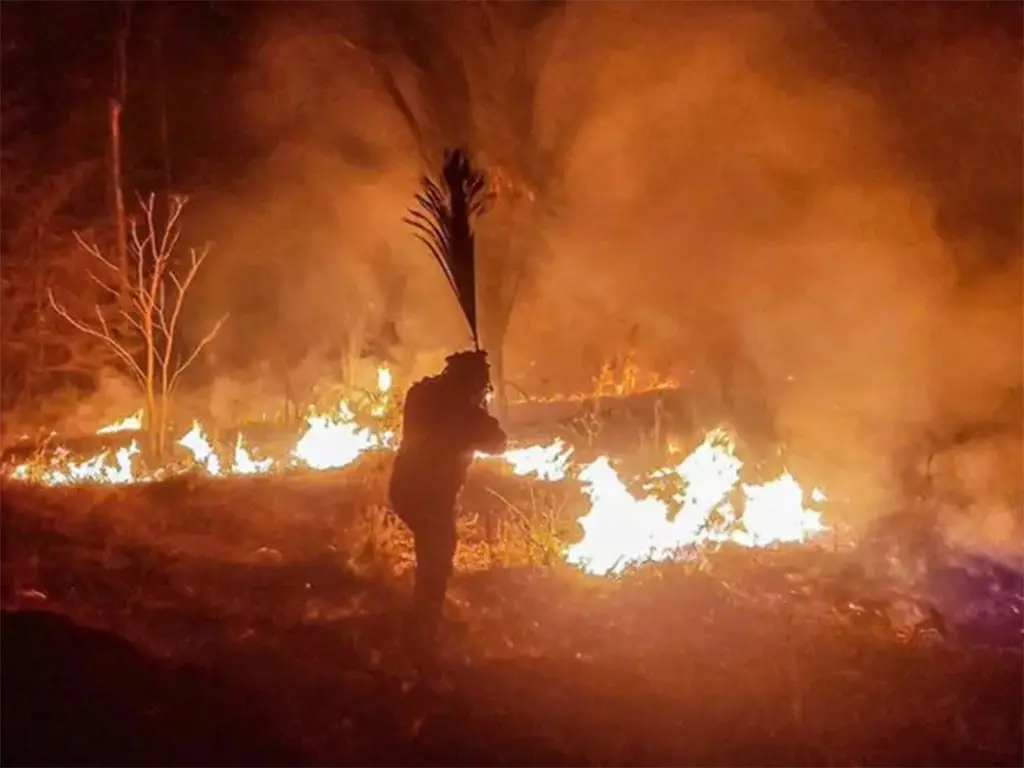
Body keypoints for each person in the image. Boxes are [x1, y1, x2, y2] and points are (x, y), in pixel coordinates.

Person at [388, 349, 508, 670]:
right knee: (437, 561)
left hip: (403, 488)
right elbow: (498, 442)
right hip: (431, 495)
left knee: (433, 553)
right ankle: (420, 635)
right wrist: (481, 409)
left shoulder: (422, 394)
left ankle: (421, 623)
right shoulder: (464, 414)